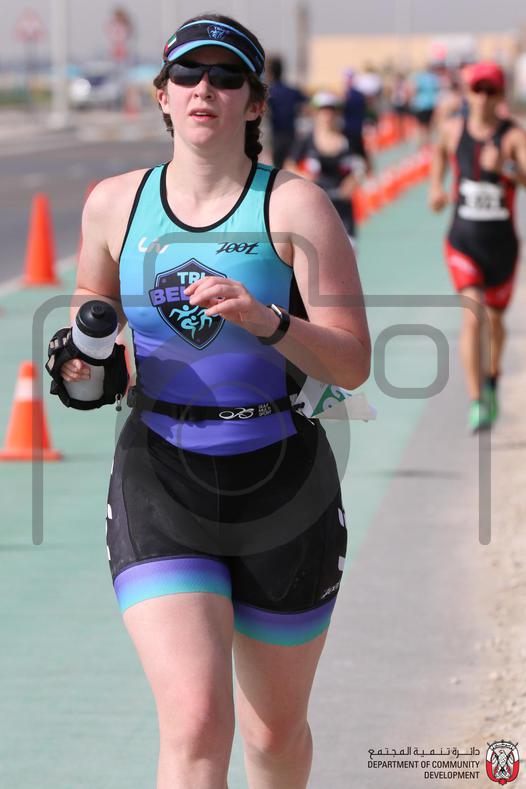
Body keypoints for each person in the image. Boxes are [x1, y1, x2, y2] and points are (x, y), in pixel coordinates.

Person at [55, 14, 370, 789]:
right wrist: (85, 363)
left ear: (254, 103)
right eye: (188, 75)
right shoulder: (114, 204)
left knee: (274, 733)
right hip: (161, 476)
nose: (206, 89)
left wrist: (269, 322)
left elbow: (353, 361)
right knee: (196, 722)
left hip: (283, 481)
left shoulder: (295, 206)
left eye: (227, 77)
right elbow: (91, 319)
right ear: (162, 95)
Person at [429, 60, 526, 432]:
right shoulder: (453, 130)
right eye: (477, 89)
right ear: (468, 93)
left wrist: (507, 168)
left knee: (496, 323)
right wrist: (436, 188)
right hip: (463, 242)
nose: (483, 98)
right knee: (473, 316)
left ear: (500, 96)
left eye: (490, 91)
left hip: (502, 247)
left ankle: (492, 378)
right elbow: (439, 154)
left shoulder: (513, 137)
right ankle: (476, 400)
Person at [286, 91, 358, 246]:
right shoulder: (305, 140)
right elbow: (289, 166)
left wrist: (353, 181)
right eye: (323, 110)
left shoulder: (348, 139)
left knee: (349, 251)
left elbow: (361, 166)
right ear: (315, 113)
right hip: (315, 207)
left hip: (342, 207)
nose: (327, 115)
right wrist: (304, 176)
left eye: (331, 110)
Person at [267, 55, 307, 168]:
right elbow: (306, 102)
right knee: (290, 165)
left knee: (277, 167)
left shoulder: (269, 92)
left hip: (276, 134)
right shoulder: (292, 90)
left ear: (271, 72)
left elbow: (266, 111)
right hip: (291, 134)